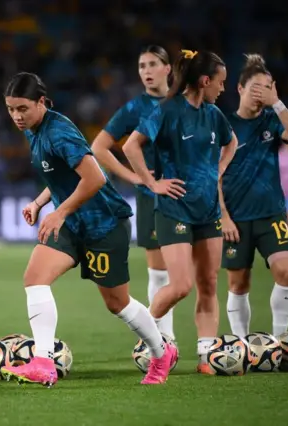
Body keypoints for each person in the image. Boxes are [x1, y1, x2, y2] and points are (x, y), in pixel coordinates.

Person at [0, 72, 177, 387]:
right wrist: (41, 202)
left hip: (103, 222)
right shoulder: (33, 129)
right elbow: (60, 176)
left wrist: (60, 211)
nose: (16, 116)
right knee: (35, 278)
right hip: (72, 221)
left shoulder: (60, 132)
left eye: (22, 108)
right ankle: (43, 362)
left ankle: (161, 352)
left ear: (41, 102)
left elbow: (94, 178)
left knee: (117, 303)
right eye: (11, 108)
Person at [122, 50, 237, 374]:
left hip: (209, 211)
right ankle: (148, 335)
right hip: (174, 210)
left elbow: (231, 143)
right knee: (181, 285)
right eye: (221, 82)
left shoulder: (214, 114)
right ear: (205, 81)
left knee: (209, 283)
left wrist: (219, 169)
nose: (223, 88)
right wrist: (151, 183)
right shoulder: (167, 111)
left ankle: (206, 357)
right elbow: (131, 146)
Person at [219, 54, 288, 338]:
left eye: (267, 88)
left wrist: (278, 103)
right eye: (256, 87)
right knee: (238, 284)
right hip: (236, 218)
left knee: (286, 271)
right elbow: (212, 175)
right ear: (240, 88)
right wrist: (223, 217)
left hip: (271, 213)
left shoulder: (273, 118)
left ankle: (281, 339)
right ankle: (243, 345)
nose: (261, 94)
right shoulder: (223, 125)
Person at [92, 45, 175, 340]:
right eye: (142, 66)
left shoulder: (186, 102)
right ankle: (165, 338)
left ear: (168, 69)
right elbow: (98, 147)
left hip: (190, 196)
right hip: (153, 198)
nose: (147, 71)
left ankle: (206, 345)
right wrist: (134, 177)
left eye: (153, 64)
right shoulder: (134, 109)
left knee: (203, 275)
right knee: (159, 271)